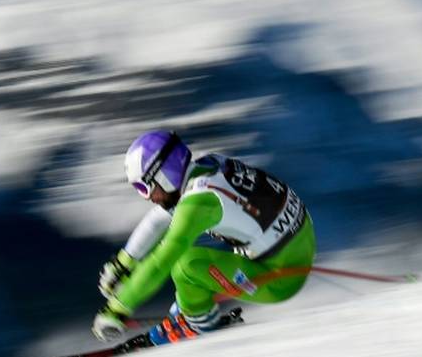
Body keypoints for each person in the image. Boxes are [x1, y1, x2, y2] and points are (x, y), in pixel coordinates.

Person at [92, 130, 317, 345]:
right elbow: (158, 218)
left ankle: (199, 324)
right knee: (194, 266)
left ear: (164, 175)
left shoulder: (199, 203)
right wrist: (125, 262)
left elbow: (162, 261)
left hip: (281, 280)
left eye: (144, 187)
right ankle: (191, 309)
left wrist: (117, 309)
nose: (147, 197)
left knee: (185, 266)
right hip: (297, 247)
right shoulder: (208, 166)